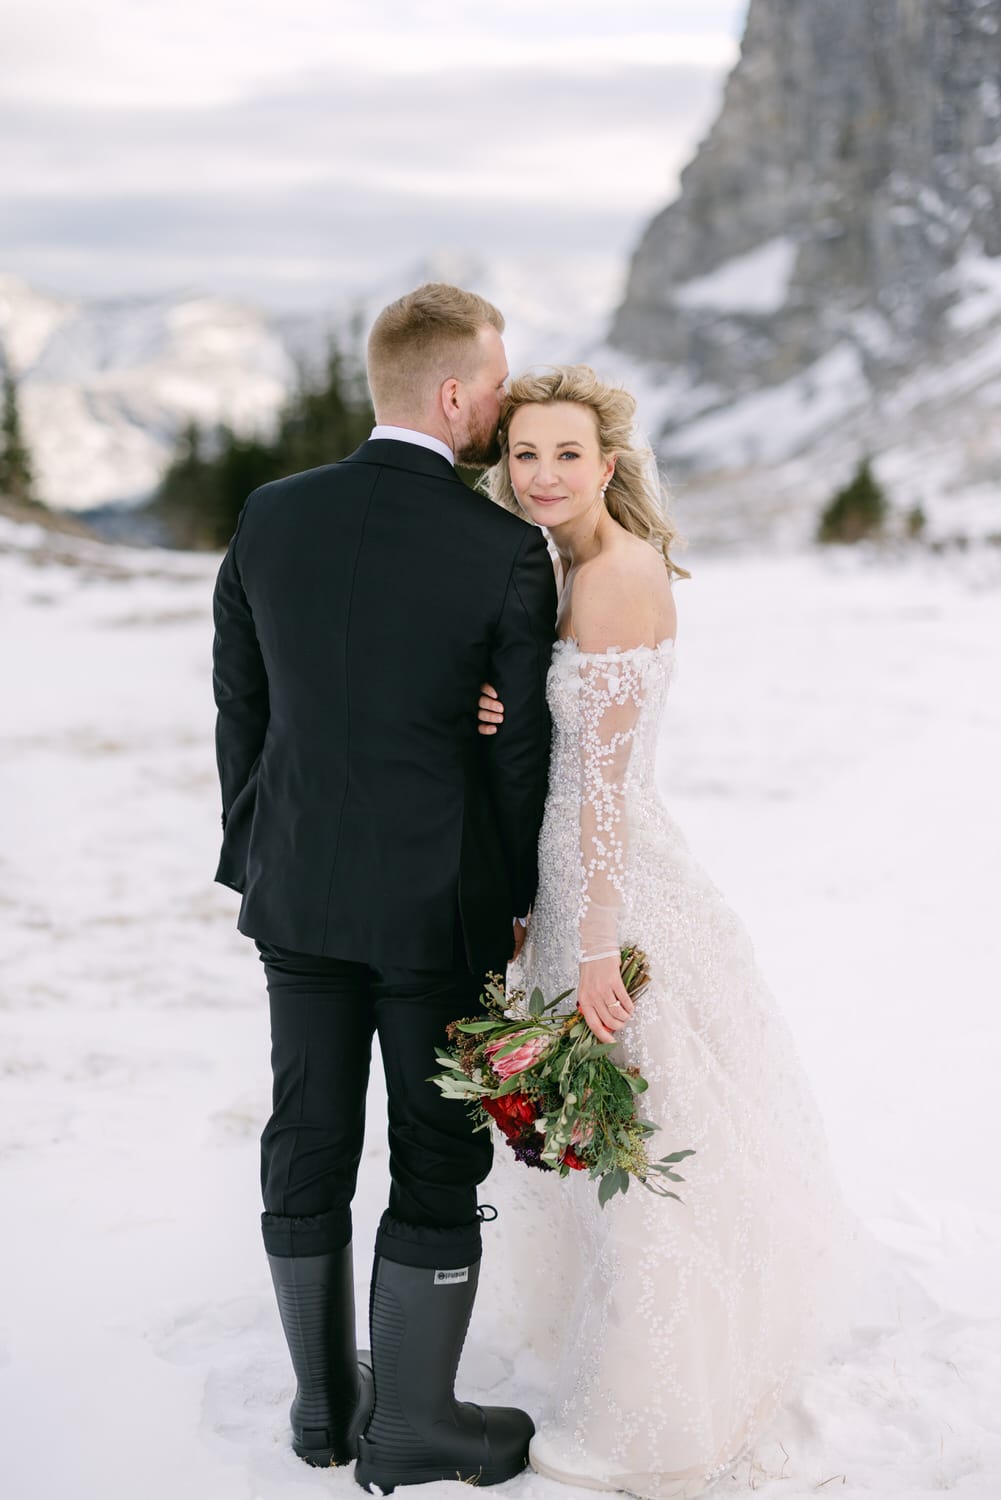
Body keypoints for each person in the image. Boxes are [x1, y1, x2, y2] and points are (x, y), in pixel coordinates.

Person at [475, 365, 864, 1498]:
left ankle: (651, 1417)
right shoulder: (566, 564)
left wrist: (594, 944)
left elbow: (599, 788)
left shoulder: (615, 576)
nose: (542, 475)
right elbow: (561, 734)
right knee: (612, 1134)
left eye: (564, 455)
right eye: (524, 454)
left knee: (642, 1134)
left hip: (616, 882)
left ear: (606, 464)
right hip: (569, 874)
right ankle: (619, 1352)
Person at [211, 283, 557, 1493]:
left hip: (296, 888)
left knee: (304, 1137)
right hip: (435, 905)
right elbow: (516, 749)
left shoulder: (268, 516)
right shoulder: (506, 548)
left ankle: (322, 1411)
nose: (505, 400)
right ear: (455, 394)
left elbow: (240, 712)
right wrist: (518, 897)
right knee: (432, 1150)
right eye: (498, 382)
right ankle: (410, 1425)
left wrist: (256, 851)